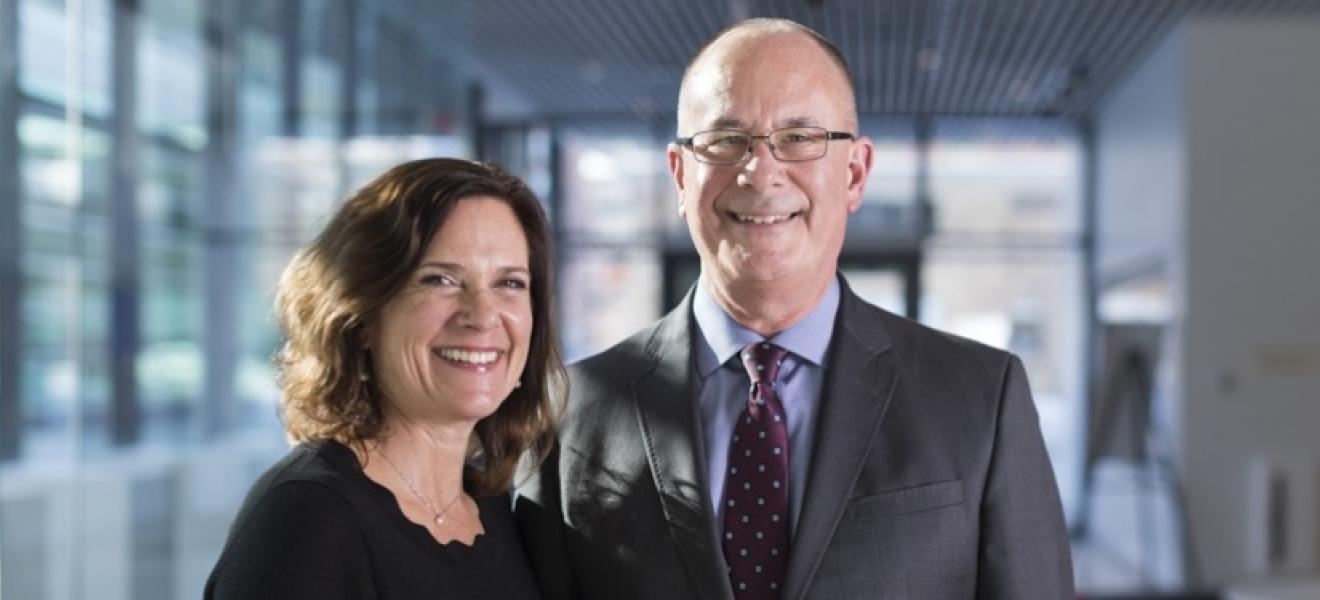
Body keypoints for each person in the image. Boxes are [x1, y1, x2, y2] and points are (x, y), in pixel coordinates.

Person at [515, 18, 1074, 600]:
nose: (761, 171)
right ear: (680, 175)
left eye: (800, 137)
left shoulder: (981, 398)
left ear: (854, 173)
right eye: (726, 139)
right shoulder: (570, 411)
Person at [206, 158, 561, 600]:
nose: (482, 316)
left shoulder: (492, 510)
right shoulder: (307, 519)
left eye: (509, 283)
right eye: (441, 279)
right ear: (363, 315)